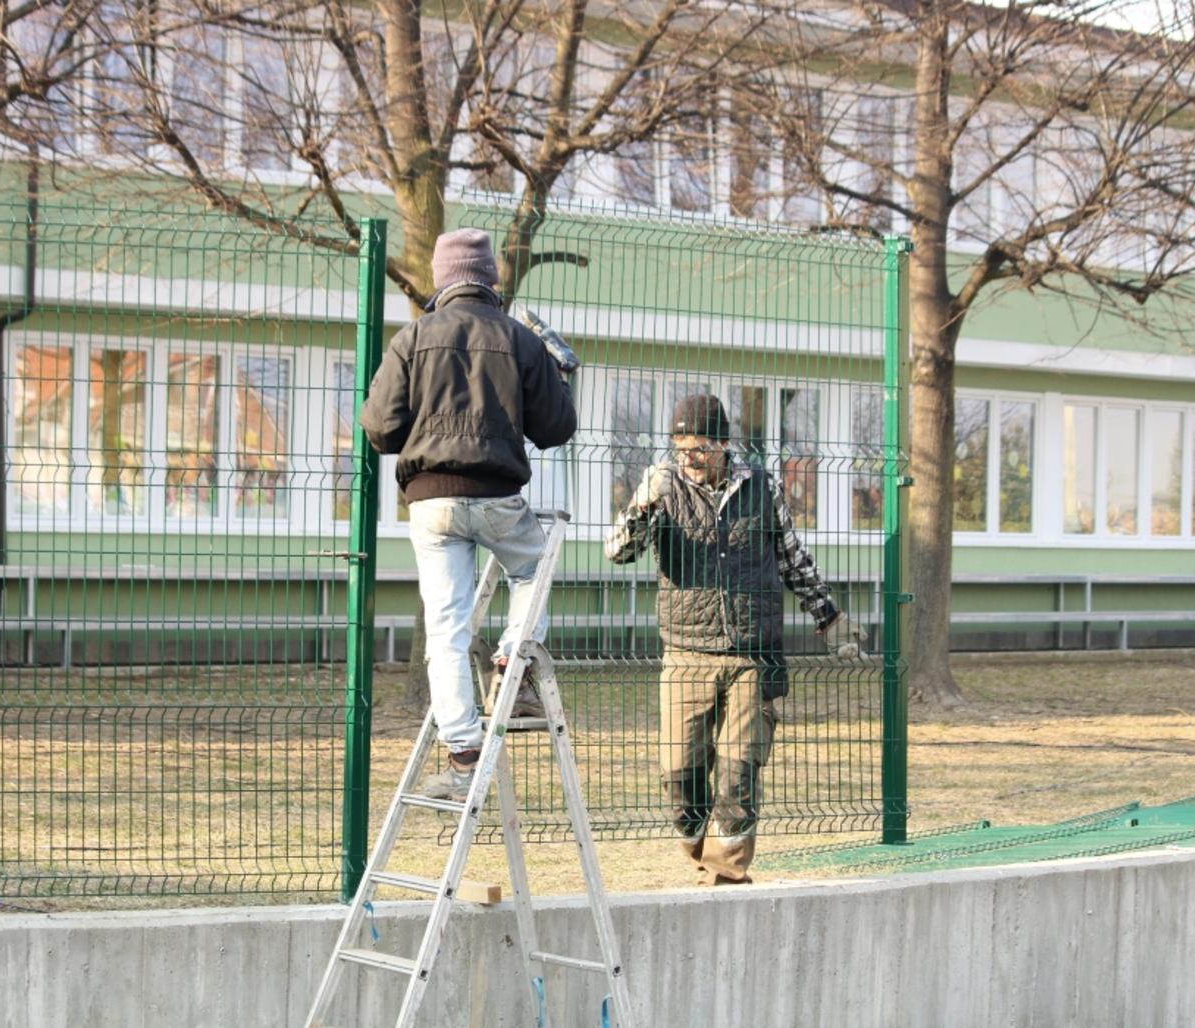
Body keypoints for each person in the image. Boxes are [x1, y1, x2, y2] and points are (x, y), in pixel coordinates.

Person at [604, 393, 862, 885]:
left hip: (753, 654)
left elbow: (792, 558)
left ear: (723, 443)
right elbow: (618, 552)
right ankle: (700, 851)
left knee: (738, 775)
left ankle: (727, 877)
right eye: (680, 449)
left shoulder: (762, 489)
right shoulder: (662, 489)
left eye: (698, 448)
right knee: (679, 778)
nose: (689, 459)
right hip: (686, 654)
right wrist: (643, 502)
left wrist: (829, 617)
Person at [360, 228, 577, 801]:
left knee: (447, 630)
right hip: (497, 495)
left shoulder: (414, 337)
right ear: (492, 279)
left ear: (441, 279)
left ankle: (462, 758)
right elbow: (556, 429)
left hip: (430, 500)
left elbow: (380, 428)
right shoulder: (520, 340)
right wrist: (556, 376)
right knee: (532, 569)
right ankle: (512, 665)